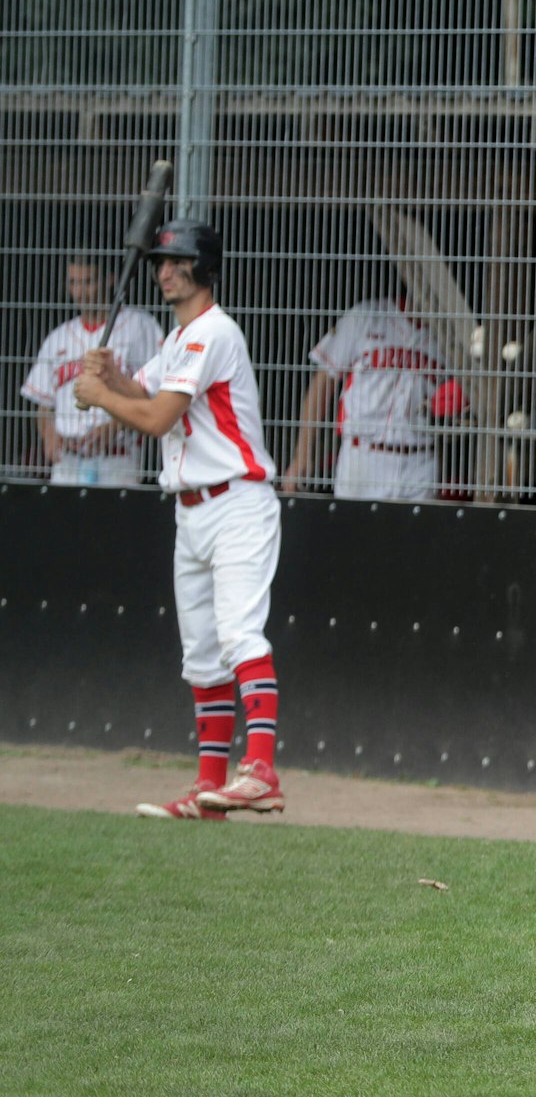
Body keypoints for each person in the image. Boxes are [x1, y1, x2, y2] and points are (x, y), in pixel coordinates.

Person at [71, 221, 287, 820]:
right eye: (161, 260)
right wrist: (108, 374)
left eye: (176, 261)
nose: (163, 270)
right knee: (202, 653)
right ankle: (209, 789)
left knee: (240, 633)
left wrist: (101, 394)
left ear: (203, 268)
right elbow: (135, 390)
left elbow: (157, 417)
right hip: (191, 509)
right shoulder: (178, 339)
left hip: (237, 502)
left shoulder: (212, 332)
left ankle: (262, 771)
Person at [281, 286, 464, 500]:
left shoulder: (452, 338)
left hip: (421, 461)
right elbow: (322, 386)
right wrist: (302, 455)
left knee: (417, 534)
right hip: (363, 456)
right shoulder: (366, 316)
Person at [22, 255, 161, 489]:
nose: (80, 292)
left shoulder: (140, 326)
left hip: (118, 459)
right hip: (67, 463)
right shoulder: (58, 338)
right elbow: (43, 404)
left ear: (109, 280)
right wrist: (49, 435)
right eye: (74, 283)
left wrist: (115, 425)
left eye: (88, 282)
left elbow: (156, 394)